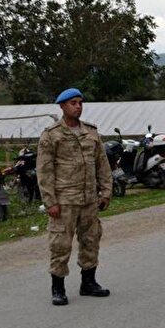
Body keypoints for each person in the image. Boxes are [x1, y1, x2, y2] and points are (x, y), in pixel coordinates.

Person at [37, 88, 113, 306]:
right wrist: (50, 201)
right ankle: (58, 288)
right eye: (73, 103)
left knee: (91, 241)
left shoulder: (91, 132)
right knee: (60, 244)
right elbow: (44, 171)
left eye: (80, 103)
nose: (77, 106)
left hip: (90, 200)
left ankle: (88, 283)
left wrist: (105, 192)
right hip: (64, 201)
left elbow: (103, 165)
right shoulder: (51, 135)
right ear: (62, 106)